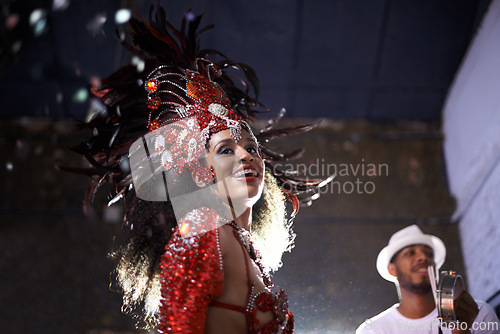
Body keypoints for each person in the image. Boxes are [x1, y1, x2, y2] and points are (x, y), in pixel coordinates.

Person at [67, 5, 330, 334]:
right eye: (225, 150)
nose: (246, 156)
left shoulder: (250, 248)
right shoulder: (203, 228)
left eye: (251, 148)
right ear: (202, 171)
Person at [356, 225, 500, 334]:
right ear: (392, 270)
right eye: (410, 253)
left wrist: (461, 331)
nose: (423, 258)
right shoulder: (374, 330)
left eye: (428, 253)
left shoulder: (477, 313)